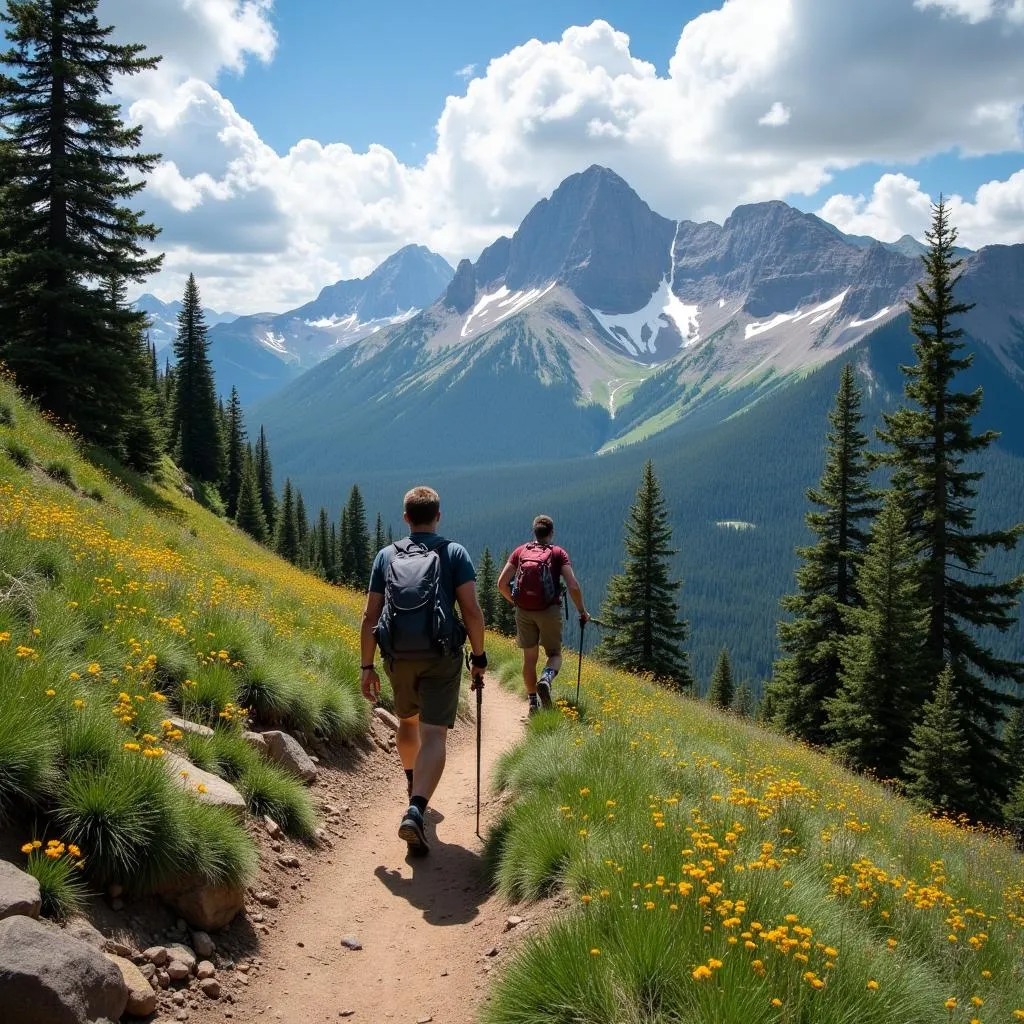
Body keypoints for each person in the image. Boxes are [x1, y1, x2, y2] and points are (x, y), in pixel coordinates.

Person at [360, 486, 487, 853]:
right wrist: (478, 657)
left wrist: (367, 666)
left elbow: (370, 616)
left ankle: (412, 782)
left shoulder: (386, 556)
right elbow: (472, 612)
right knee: (434, 735)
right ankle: (417, 808)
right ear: (438, 516)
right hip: (441, 656)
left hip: (397, 656)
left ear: (406, 518)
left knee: (408, 724)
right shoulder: (454, 553)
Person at [497, 515, 588, 714]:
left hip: (524, 612)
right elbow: (572, 585)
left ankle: (532, 704)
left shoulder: (520, 552)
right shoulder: (558, 553)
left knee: (529, 659)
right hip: (549, 611)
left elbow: (501, 584)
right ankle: (546, 678)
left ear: (534, 532)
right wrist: (582, 611)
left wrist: (517, 603)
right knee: (554, 654)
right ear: (551, 532)